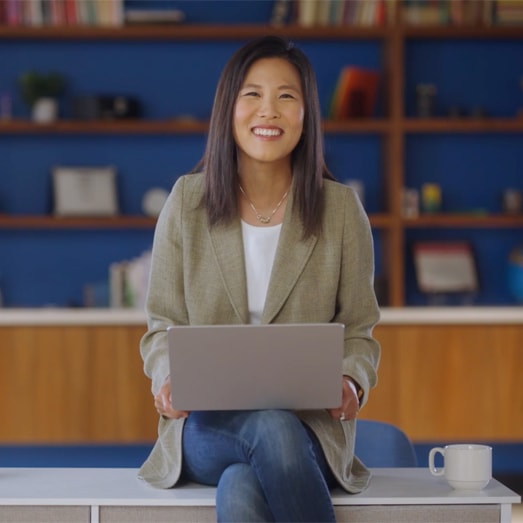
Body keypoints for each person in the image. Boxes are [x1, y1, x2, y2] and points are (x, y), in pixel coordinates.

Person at [138, 35, 381, 522]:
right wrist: (167, 377)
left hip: (309, 431)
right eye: (252, 95)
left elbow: (359, 327)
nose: (268, 111)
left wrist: (352, 380)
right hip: (208, 428)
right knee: (268, 431)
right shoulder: (187, 203)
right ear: (228, 109)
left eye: (286, 97)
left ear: (306, 115)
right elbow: (161, 324)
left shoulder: (340, 211)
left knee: (242, 486)